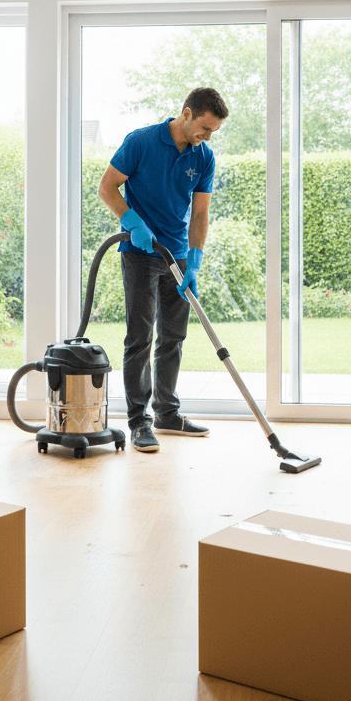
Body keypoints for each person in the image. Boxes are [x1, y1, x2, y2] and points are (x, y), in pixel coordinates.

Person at [98, 87, 229, 452]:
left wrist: (195, 258)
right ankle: (139, 421)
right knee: (139, 338)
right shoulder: (140, 142)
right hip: (140, 250)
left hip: (178, 255)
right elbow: (106, 188)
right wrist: (130, 220)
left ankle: (167, 413)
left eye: (213, 132)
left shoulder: (204, 157)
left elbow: (200, 213)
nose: (206, 137)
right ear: (186, 114)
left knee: (173, 336)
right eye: (204, 127)